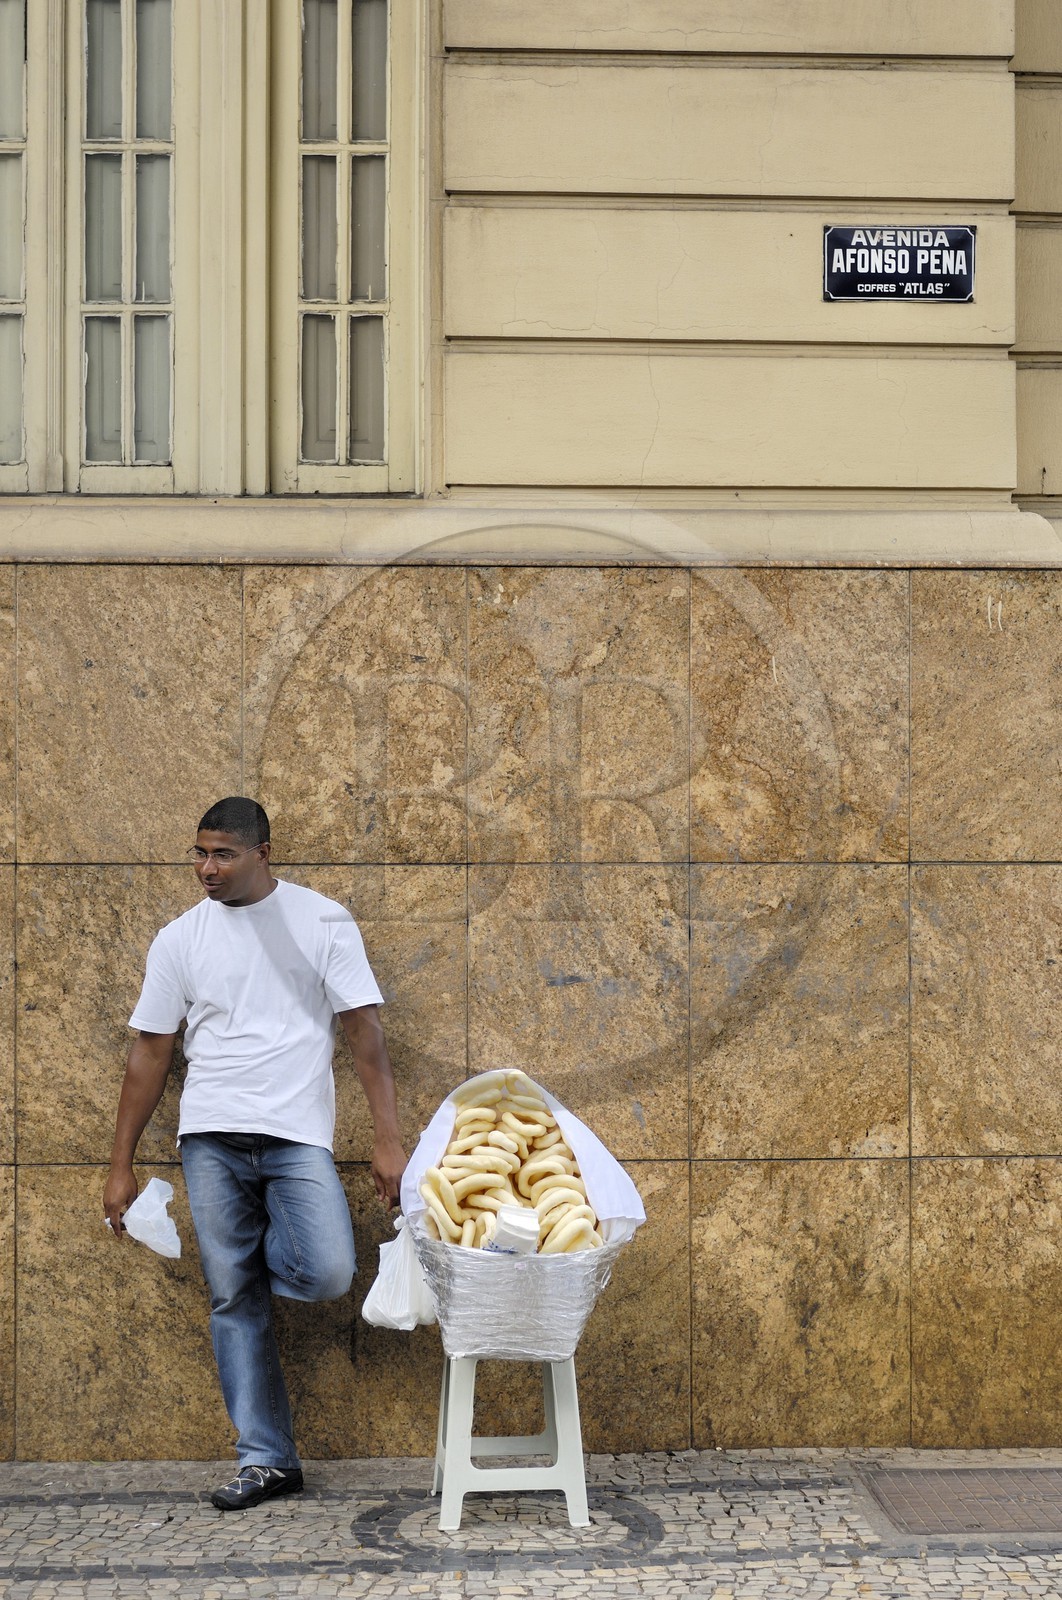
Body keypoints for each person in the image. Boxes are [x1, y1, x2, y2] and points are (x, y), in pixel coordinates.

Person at [103, 797, 407, 1511]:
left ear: (263, 853)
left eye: (223, 854)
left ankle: (242, 1278)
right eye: (199, 854)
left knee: (329, 1268)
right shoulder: (179, 938)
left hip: (297, 1132)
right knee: (232, 1297)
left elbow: (364, 1033)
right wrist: (119, 1164)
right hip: (209, 1133)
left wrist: (388, 1139)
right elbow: (150, 1051)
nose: (207, 868)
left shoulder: (322, 920)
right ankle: (267, 1460)